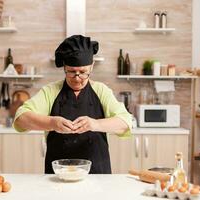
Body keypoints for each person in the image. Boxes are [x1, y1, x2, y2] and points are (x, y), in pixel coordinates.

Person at [13, 35, 132, 174]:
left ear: (91, 67)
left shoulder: (101, 91)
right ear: (64, 67)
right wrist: (52, 123)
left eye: (83, 72)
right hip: (57, 176)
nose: (77, 78)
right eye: (71, 72)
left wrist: (95, 124)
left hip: (97, 175)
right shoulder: (51, 91)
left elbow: (126, 121)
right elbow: (21, 118)